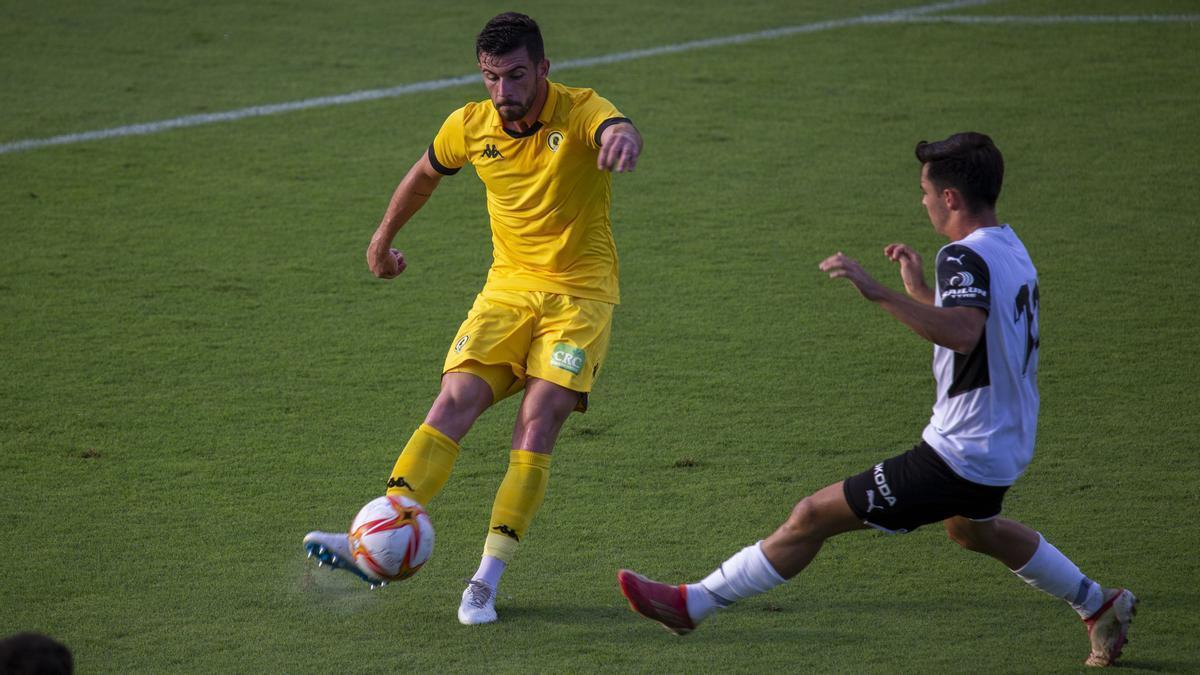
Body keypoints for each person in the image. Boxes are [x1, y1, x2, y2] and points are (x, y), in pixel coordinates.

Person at [617, 133, 1136, 667]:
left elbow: (962, 333)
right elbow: (982, 328)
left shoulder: (961, 256)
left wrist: (878, 291)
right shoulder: (1007, 245)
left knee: (812, 515)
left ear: (951, 197)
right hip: (1004, 438)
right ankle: (1099, 605)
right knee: (972, 530)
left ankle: (692, 604)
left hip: (962, 451)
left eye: (926, 191)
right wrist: (918, 294)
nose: (923, 201)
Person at [303, 12, 642, 626]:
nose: (503, 92)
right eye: (491, 78)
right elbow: (425, 174)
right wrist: (382, 239)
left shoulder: (583, 109)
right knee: (452, 400)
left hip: (580, 298)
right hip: (507, 290)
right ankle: (381, 530)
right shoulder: (469, 124)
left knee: (537, 422)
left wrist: (624, 136)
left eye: (516, 76)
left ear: (543, 68)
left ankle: (485, 581)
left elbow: (613, 124)